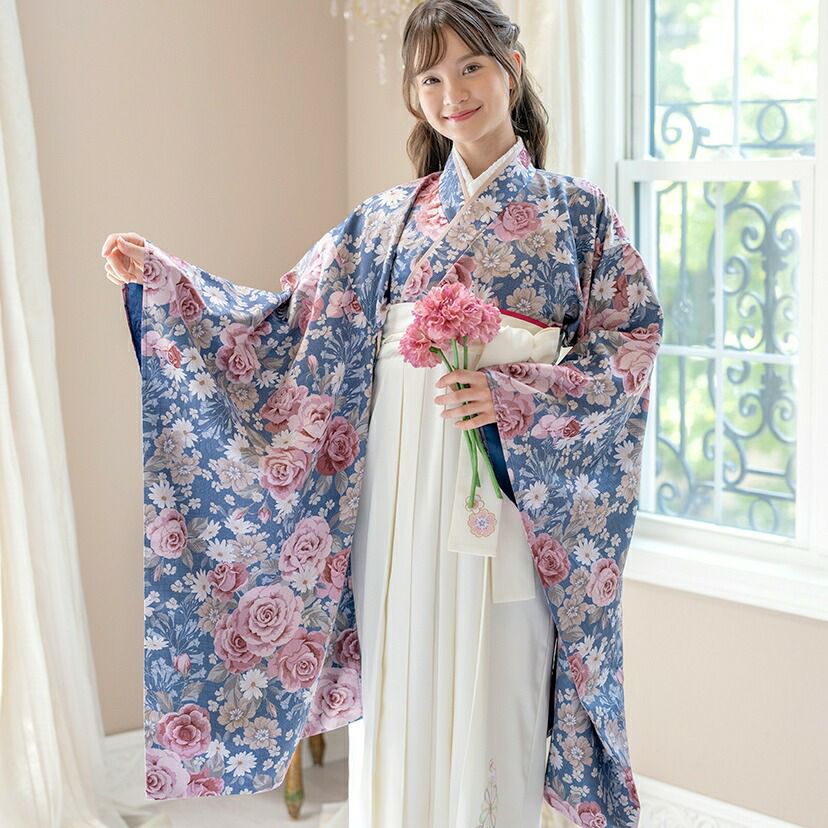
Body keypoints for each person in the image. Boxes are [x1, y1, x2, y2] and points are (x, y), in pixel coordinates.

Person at [103, 2, 662, 826]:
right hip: (394, 502)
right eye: (429, 78)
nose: (451, 93)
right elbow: (283, 325)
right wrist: (164, 279)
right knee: (401, 688)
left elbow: (631, 342)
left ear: (511, 66)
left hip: (507, 487)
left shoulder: (578, 213)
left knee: (499, 680)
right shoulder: (384, 221)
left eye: (470, 67)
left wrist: (517, 396)